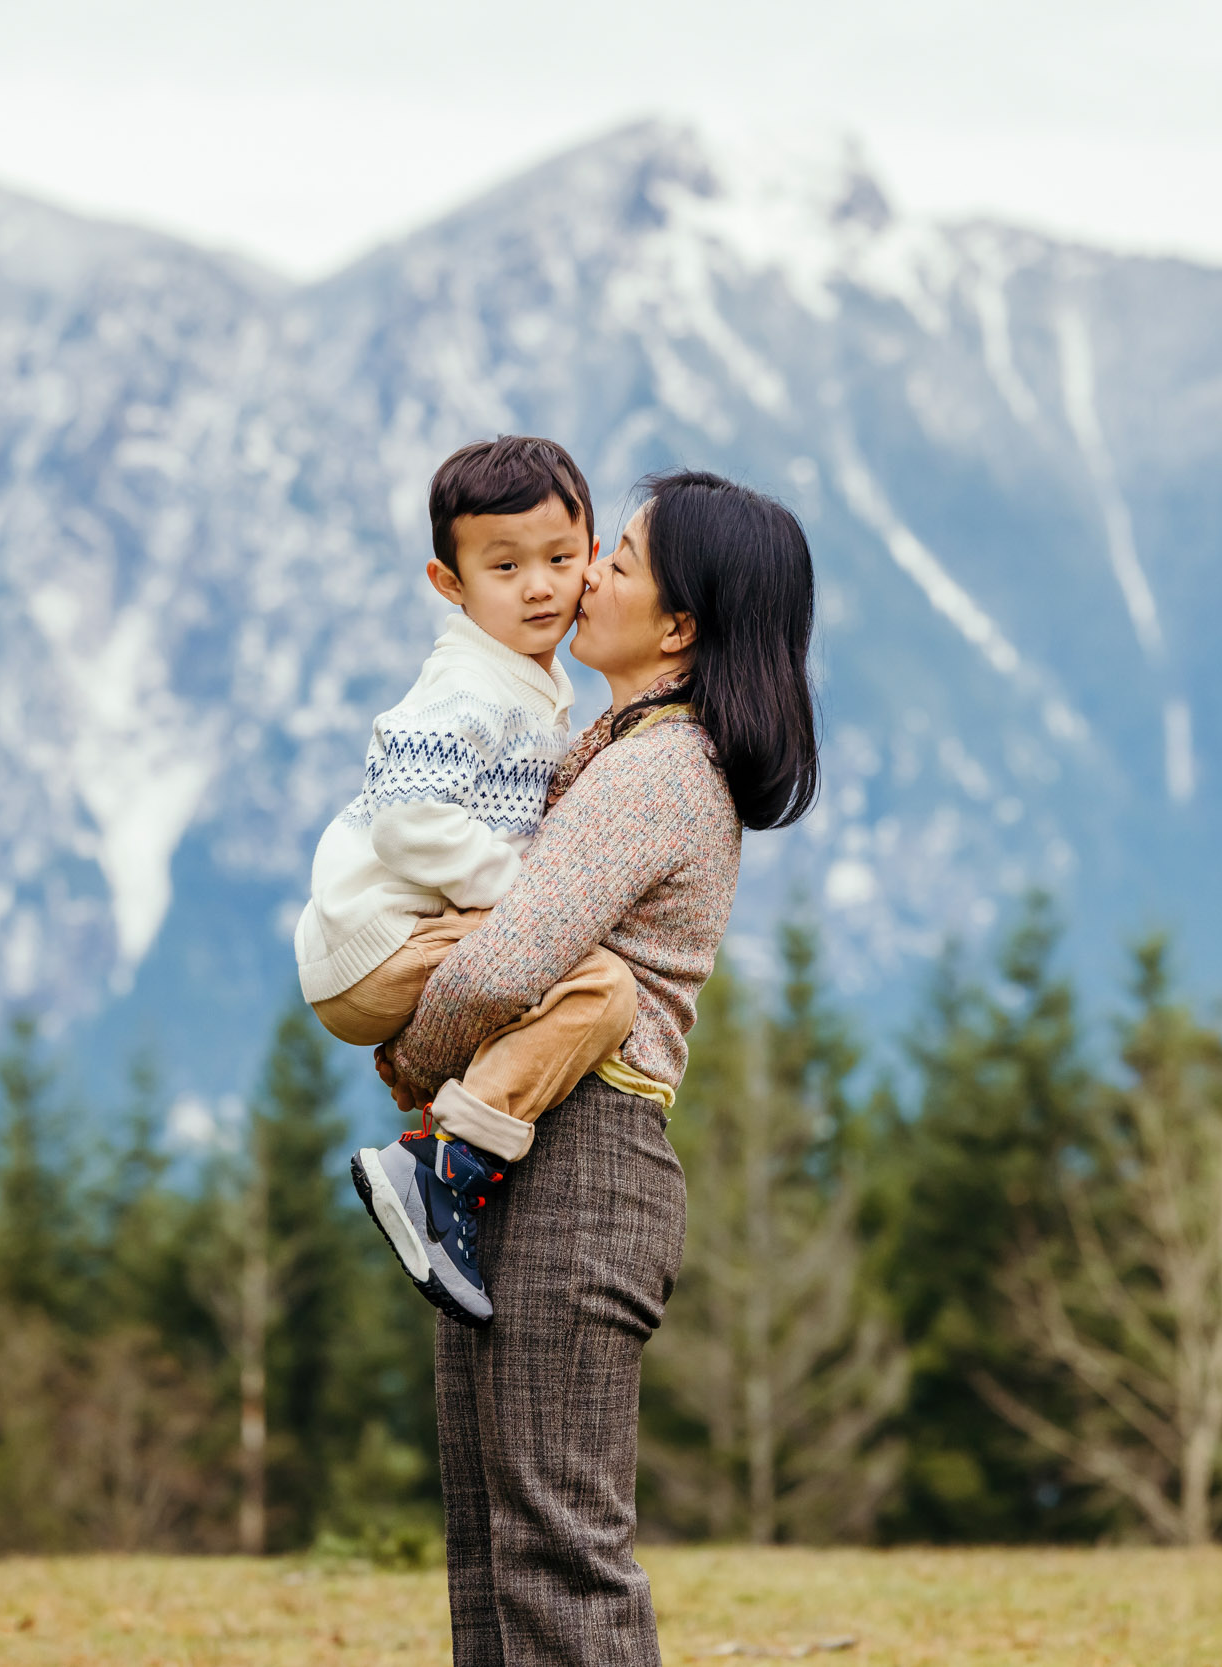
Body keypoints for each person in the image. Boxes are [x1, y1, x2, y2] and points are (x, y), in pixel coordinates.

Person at [388, 469, 820, 1666]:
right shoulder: (618, 747)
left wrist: (406, 1058)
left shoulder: (655, 771)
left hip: (580, 1162)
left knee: (557, 1551)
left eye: (616, 562)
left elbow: (500, 964)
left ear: (678, 626)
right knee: (495, 1552)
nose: (584, 577)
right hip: (525, 1152)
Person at [297, 434, 644, 1328]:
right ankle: (441, 1167)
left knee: (574, 972)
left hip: (385, 940)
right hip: (380, 944)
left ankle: (457, 1142)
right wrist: (517, 892)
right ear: (448, 583)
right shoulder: (466, 684)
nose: (539, 585)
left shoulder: (527, 676)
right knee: (599, 982)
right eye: (505, 565)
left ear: (592, 555)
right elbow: (409, 824)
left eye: (561, 558)